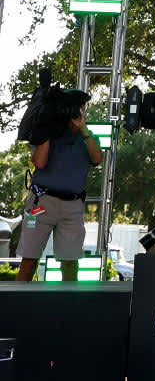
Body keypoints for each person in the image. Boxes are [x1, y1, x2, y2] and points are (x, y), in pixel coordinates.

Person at [16, 91, 103, 281]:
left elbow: (97, 158)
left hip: (72, 206)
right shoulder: (49, 131)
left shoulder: (87, 137)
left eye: (81, 108)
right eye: (74, 108)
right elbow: (39, 162)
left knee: (71, 263)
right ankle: (14, 308)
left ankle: (69, 308)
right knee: (29, 261)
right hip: (42, 202)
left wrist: (84, 130)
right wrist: (49, 128)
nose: (78, 112)